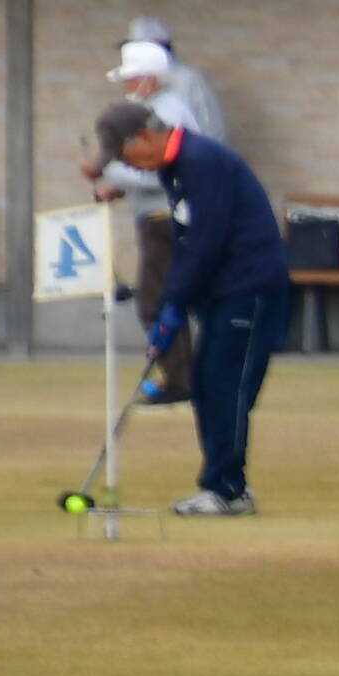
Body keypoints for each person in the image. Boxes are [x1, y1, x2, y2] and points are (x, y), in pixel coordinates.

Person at [100, 102, 294, 517]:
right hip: (225, 291)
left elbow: (206, 242)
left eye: (124, 155)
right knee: (207, 386)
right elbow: (189, 241)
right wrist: (176, 303)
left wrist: (173, 304)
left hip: (250, 288)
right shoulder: (175, 167)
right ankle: (223, 486)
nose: (126, 165)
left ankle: (228, 491)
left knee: (225, 387)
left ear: (144, 136)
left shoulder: (201, 161)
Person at [86, 32, 223, 401]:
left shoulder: (164, 113)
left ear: (148, 79)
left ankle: (180, 382)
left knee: (155, 300)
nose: (128, 88)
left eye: (131, 79)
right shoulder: (166, 108)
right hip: (163, 215)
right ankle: (186, 377)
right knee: (166, 298)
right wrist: (119, 188)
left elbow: (158, 170)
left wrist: (111, 173)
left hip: (166, 218)